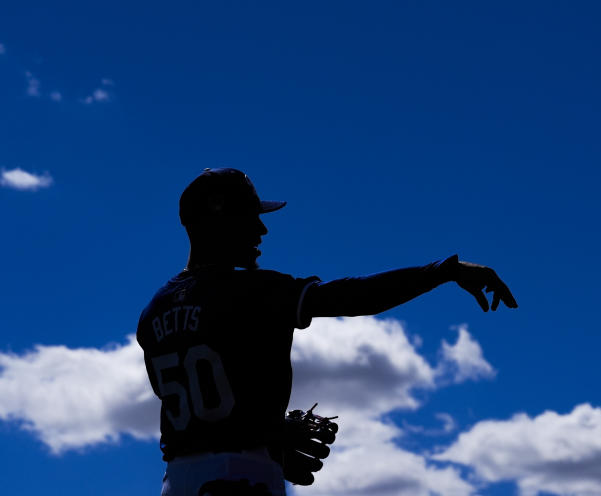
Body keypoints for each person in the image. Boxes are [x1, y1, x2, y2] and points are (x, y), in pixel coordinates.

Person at [137, 168, 518, 496]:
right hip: (241, 479)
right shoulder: (251, 290)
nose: (262, 228)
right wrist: (444, 271)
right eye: (250, 216)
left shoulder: (154, 311)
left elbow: (202, 409)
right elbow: (354, 297)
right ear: (220, 217)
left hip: (177, 483)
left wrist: (266, 430)